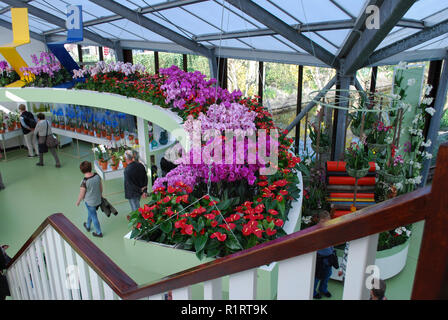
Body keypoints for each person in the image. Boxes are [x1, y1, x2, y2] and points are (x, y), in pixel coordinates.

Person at [313, 210, 337, 299]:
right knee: (317, 276)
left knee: (327, 274)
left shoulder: (329, 229)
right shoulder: (316, 230)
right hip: (320, 258)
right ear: (321, 221)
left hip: (329, 257)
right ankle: (313, 292)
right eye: (327, 221)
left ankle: (323, 289)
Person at [76, 161, 103, 238]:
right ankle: (88, 226)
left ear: (82, 170)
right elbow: (100, 187)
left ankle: (99, 232)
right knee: (91, 212)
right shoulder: (97, 176)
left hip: (90, 202)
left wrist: (78, 201)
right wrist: (100, 195)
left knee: (94, 215)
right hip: (98, 199)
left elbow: (82, 194)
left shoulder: (84, 181)